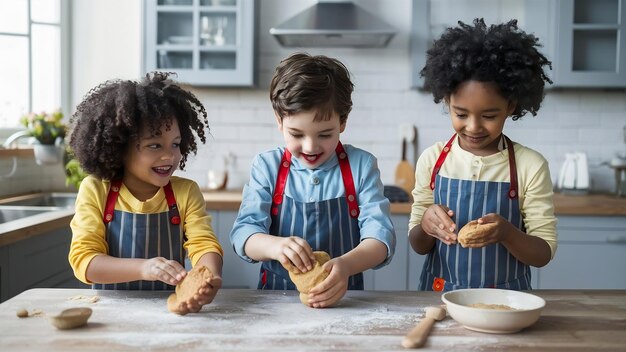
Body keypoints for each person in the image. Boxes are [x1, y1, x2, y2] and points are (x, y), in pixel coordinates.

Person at [229, 53, 396, 308]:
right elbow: (244, 233)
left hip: (346, 302)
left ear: (343, 122)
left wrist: (346, 265)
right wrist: (275, 246)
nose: (310, 146)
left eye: (324, 134)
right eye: (296, 134)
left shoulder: (360, 166)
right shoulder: (267, 167)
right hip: (274, 303)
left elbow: (381, 239)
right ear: (279, 121)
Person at [408, 19, 558, 291]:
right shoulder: (433, 160)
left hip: (507, 302)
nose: (474, 127)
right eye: (461, 114)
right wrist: (427, 225)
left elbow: (543, 253)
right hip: (438, 297)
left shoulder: (529, 166)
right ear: (446, 102)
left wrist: (507, 233)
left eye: (489, 116)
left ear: (511, 106)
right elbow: (418, 245)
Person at [68, 72, 223, 313]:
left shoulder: (185, 192)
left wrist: (207, 278)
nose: (169, 156)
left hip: (167, 312)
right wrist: (144, 268)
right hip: (108, 312)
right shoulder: (97, 190)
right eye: (154, 145)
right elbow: (85, 262)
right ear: (120, 147)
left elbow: (204, 245)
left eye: (175, 144)